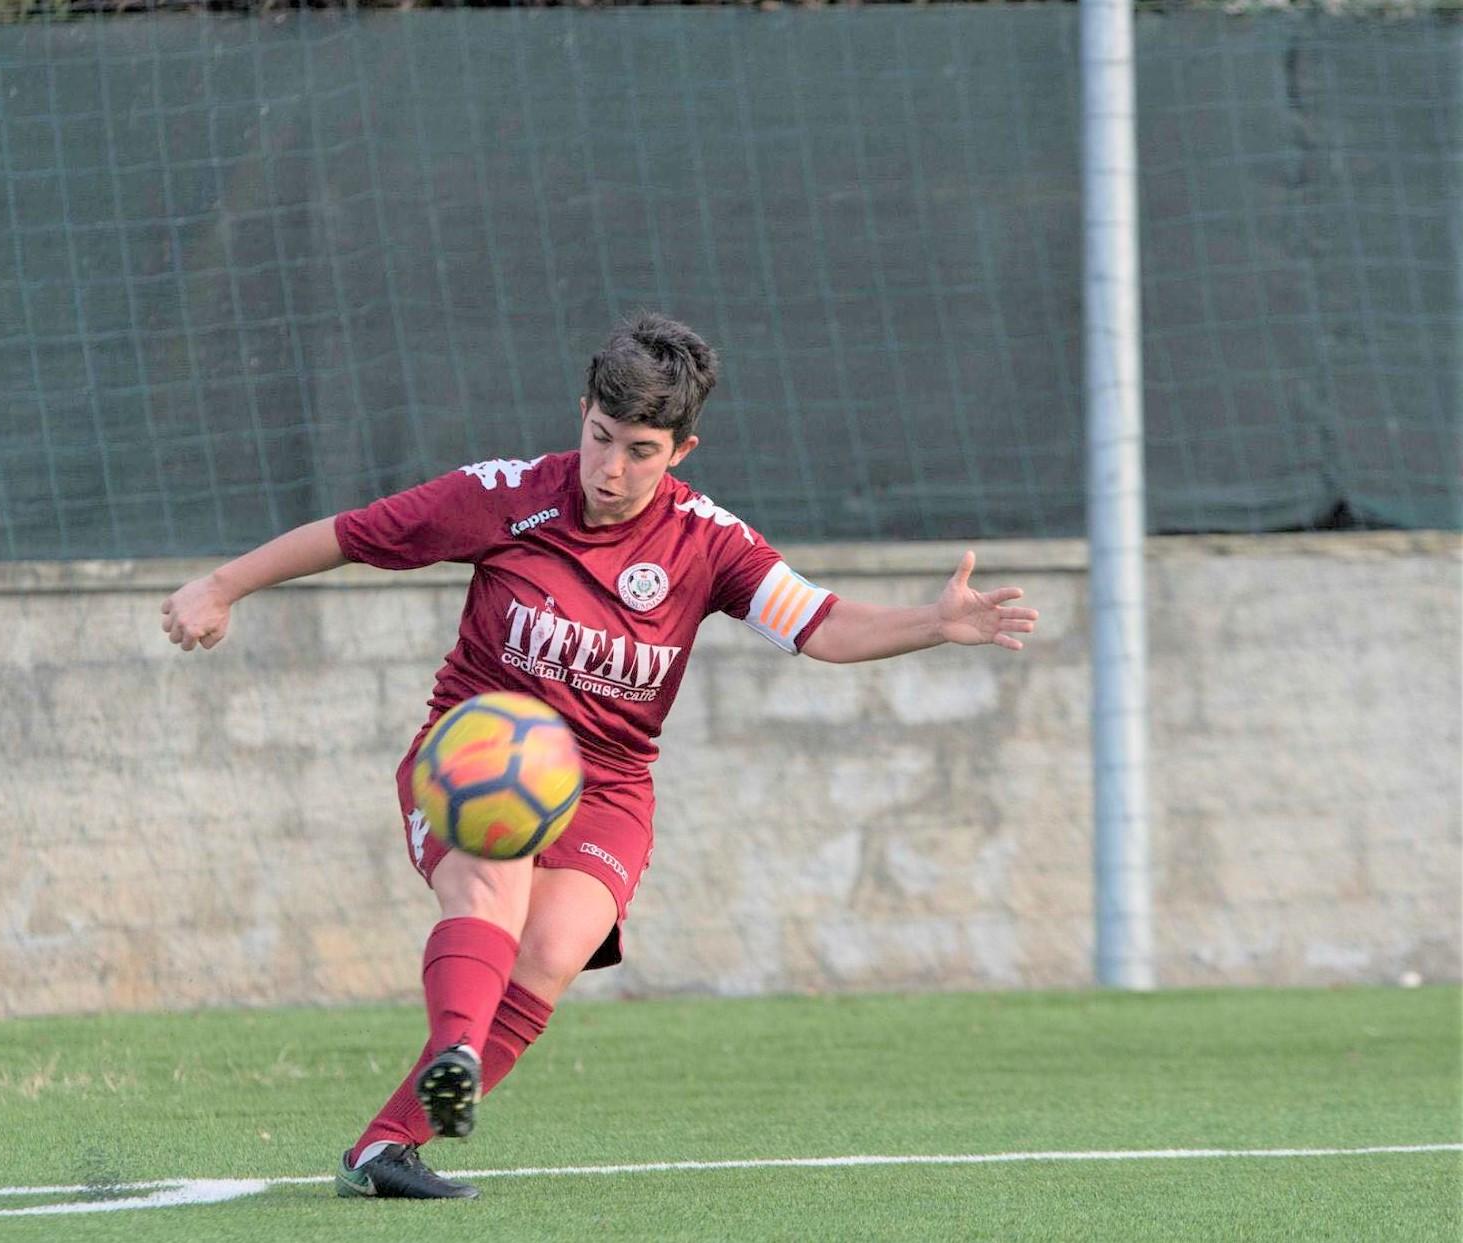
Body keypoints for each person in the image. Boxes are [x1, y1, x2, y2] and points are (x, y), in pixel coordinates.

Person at [159, 313, 1038, 1200]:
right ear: (581, 412)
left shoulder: (708, 542)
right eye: (599, 438)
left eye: (641, 450)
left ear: (682, 449)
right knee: (491, 880)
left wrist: (934, 623)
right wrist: (222, 584)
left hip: (607, 786)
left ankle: (385, 1146)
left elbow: (818, 624)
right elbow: (354, 533)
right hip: (477, 751)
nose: (611, 470)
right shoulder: (502, 494)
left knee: (550, 950)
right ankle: (457, 1047)